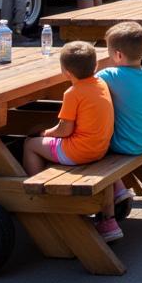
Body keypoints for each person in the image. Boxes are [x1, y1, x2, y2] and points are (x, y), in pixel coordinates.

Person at [95, 22, 142, 241]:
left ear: (118, 55)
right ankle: (120, 189)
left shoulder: (110, 75)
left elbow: (87, 78)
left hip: (123, 145)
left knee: (94, 152)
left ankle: (108, 220)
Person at [22, 41, 114, 187]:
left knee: (30, 144)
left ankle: (36, 189)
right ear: (95, 65)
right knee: (44, 140)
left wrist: (43, 133)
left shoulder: (72, 93)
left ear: (66, 73)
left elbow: (64, 131)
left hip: (78, 152)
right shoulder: (101, 83)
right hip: (100, 148)